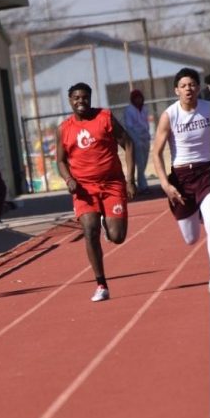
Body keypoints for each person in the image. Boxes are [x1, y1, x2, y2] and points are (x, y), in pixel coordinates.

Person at [56, 82, 136, 302]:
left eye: (84, 97)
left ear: (90, 98)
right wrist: (69, 179)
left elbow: (128, 144)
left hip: (112, 185)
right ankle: (101, 284)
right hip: (84, 189)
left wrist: (130, 180)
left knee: (117, 237)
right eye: (76, 98)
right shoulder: (64, 129)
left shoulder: (105, 117)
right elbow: (60, 161)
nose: (80, 101)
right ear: (70, 100)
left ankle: (107, 224)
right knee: (89, 230)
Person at [149, 67, 210, 286]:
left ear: (198, 88)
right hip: (182, 177)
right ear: (176, 90)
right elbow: (156, 153)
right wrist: (165, 184)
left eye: (192, 85)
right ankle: (199, 212)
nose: (188, 89)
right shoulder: (170, 115)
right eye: (184, 86)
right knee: (191, 238)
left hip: (208, 172)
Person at [123, 88, 152, 194]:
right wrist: (135, 140)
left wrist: (147, 134)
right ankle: (142, 186)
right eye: (136, 98)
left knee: (144, 161)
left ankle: (140, 182)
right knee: (140, 162)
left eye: (140, 98)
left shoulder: (144, 109)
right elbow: (129, 126)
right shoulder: (129, 110)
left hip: (145, 137)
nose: (138, 100)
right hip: (135, 139)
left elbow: (146, 123)